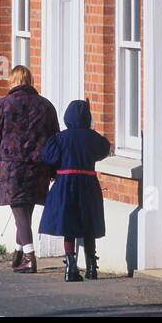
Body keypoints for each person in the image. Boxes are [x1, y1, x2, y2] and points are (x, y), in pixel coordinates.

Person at [0, 65, 60, 273]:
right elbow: (55, 139)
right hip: (39, 166)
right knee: (25, 211)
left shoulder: (3, 106)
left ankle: (29, 257)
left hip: (13, 166)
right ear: (30, 80)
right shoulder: (46, 106)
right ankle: (18, 254)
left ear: (13, 81)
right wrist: (55, 168)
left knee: (19, 209)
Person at [39, 99, 110, 282]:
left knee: (68, 224)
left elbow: (48, 157)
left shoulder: (60, 138)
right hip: (88, 183)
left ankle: (70, 266)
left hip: (65, 183)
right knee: (88, 225)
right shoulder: (93, 138)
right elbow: (103, 150)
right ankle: (92, 266)